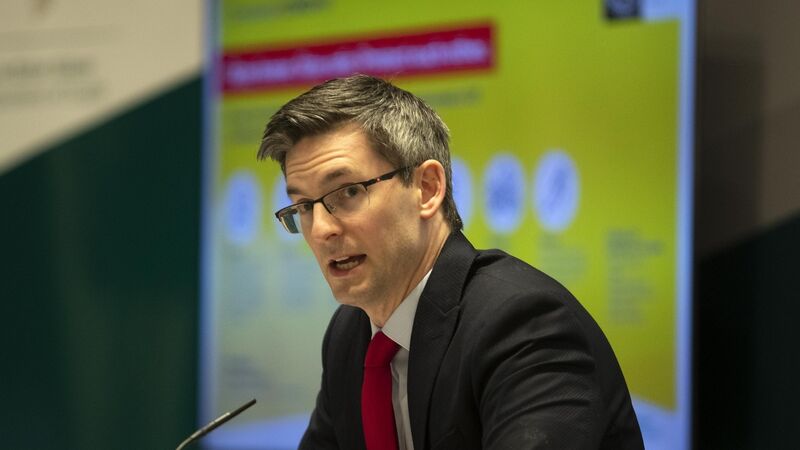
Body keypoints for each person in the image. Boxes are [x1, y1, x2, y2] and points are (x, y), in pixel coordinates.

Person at [258, 74, 644, 449]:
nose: (320, 229)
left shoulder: (521, 323)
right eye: (303, 206)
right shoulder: (350, 335)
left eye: (348, 192)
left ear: (427, 189)